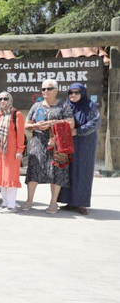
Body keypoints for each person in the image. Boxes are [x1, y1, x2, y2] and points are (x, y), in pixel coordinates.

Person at [24, 79, 76, 214]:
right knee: (33, 170)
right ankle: (29, 200)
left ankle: (53, 203)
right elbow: (27, 125)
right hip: (38, 142)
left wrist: (55, 122)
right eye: (43, 89)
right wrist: (36, 126)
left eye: (48, 88)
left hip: (57, 144)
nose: (45, 91)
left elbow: (71, 123)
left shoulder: (63, 106)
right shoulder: (36, 106)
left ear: (56, 90)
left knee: (56, 172)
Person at [58, 82, 101, 215]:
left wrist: (78, 131)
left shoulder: (90, 106)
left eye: (77, 92)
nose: (73, 95)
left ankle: (81, 203)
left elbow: (95, 122)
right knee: (68, 170)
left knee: (83, 171)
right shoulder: (65, 106)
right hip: (68, 142)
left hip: (85, 143)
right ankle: (69, 202)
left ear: (82, 93)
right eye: (71, 92)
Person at [0, 92, 25, 214]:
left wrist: (20, 150)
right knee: (1, 178)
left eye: (5, 98)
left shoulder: (17, 115)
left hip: (11, 152)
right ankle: (5, 203)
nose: (2, 101)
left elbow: (20, 135)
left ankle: (11, 205)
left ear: (10, 100)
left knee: (10, 178)